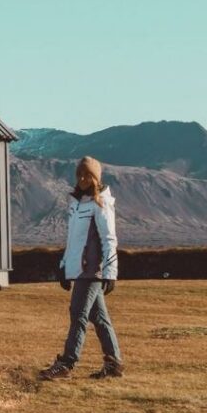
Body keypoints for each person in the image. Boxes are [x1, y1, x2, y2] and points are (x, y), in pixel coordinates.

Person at [40, 155, 123, 380]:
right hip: (80, 269)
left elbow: (108, 238)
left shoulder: (101, 203)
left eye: (88, 174)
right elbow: (73, 240)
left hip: (92, 270)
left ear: (96, 177)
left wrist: (110, 272)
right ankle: (114, 364)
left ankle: (67, 363)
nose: (83, 178)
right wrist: (64, 266)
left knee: (78, 314)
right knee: (99, 317)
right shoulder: (77, 203)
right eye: (79, 174)